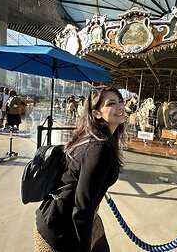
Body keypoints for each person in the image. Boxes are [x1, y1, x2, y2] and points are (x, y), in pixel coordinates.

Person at [34, 86, 126, 251]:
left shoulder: (92, 137)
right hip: (62, 226)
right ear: (97, 113)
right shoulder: (99, 147)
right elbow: (82, 205)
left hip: (79, 217)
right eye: (111, 103)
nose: (120, 106)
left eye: (120, 101)